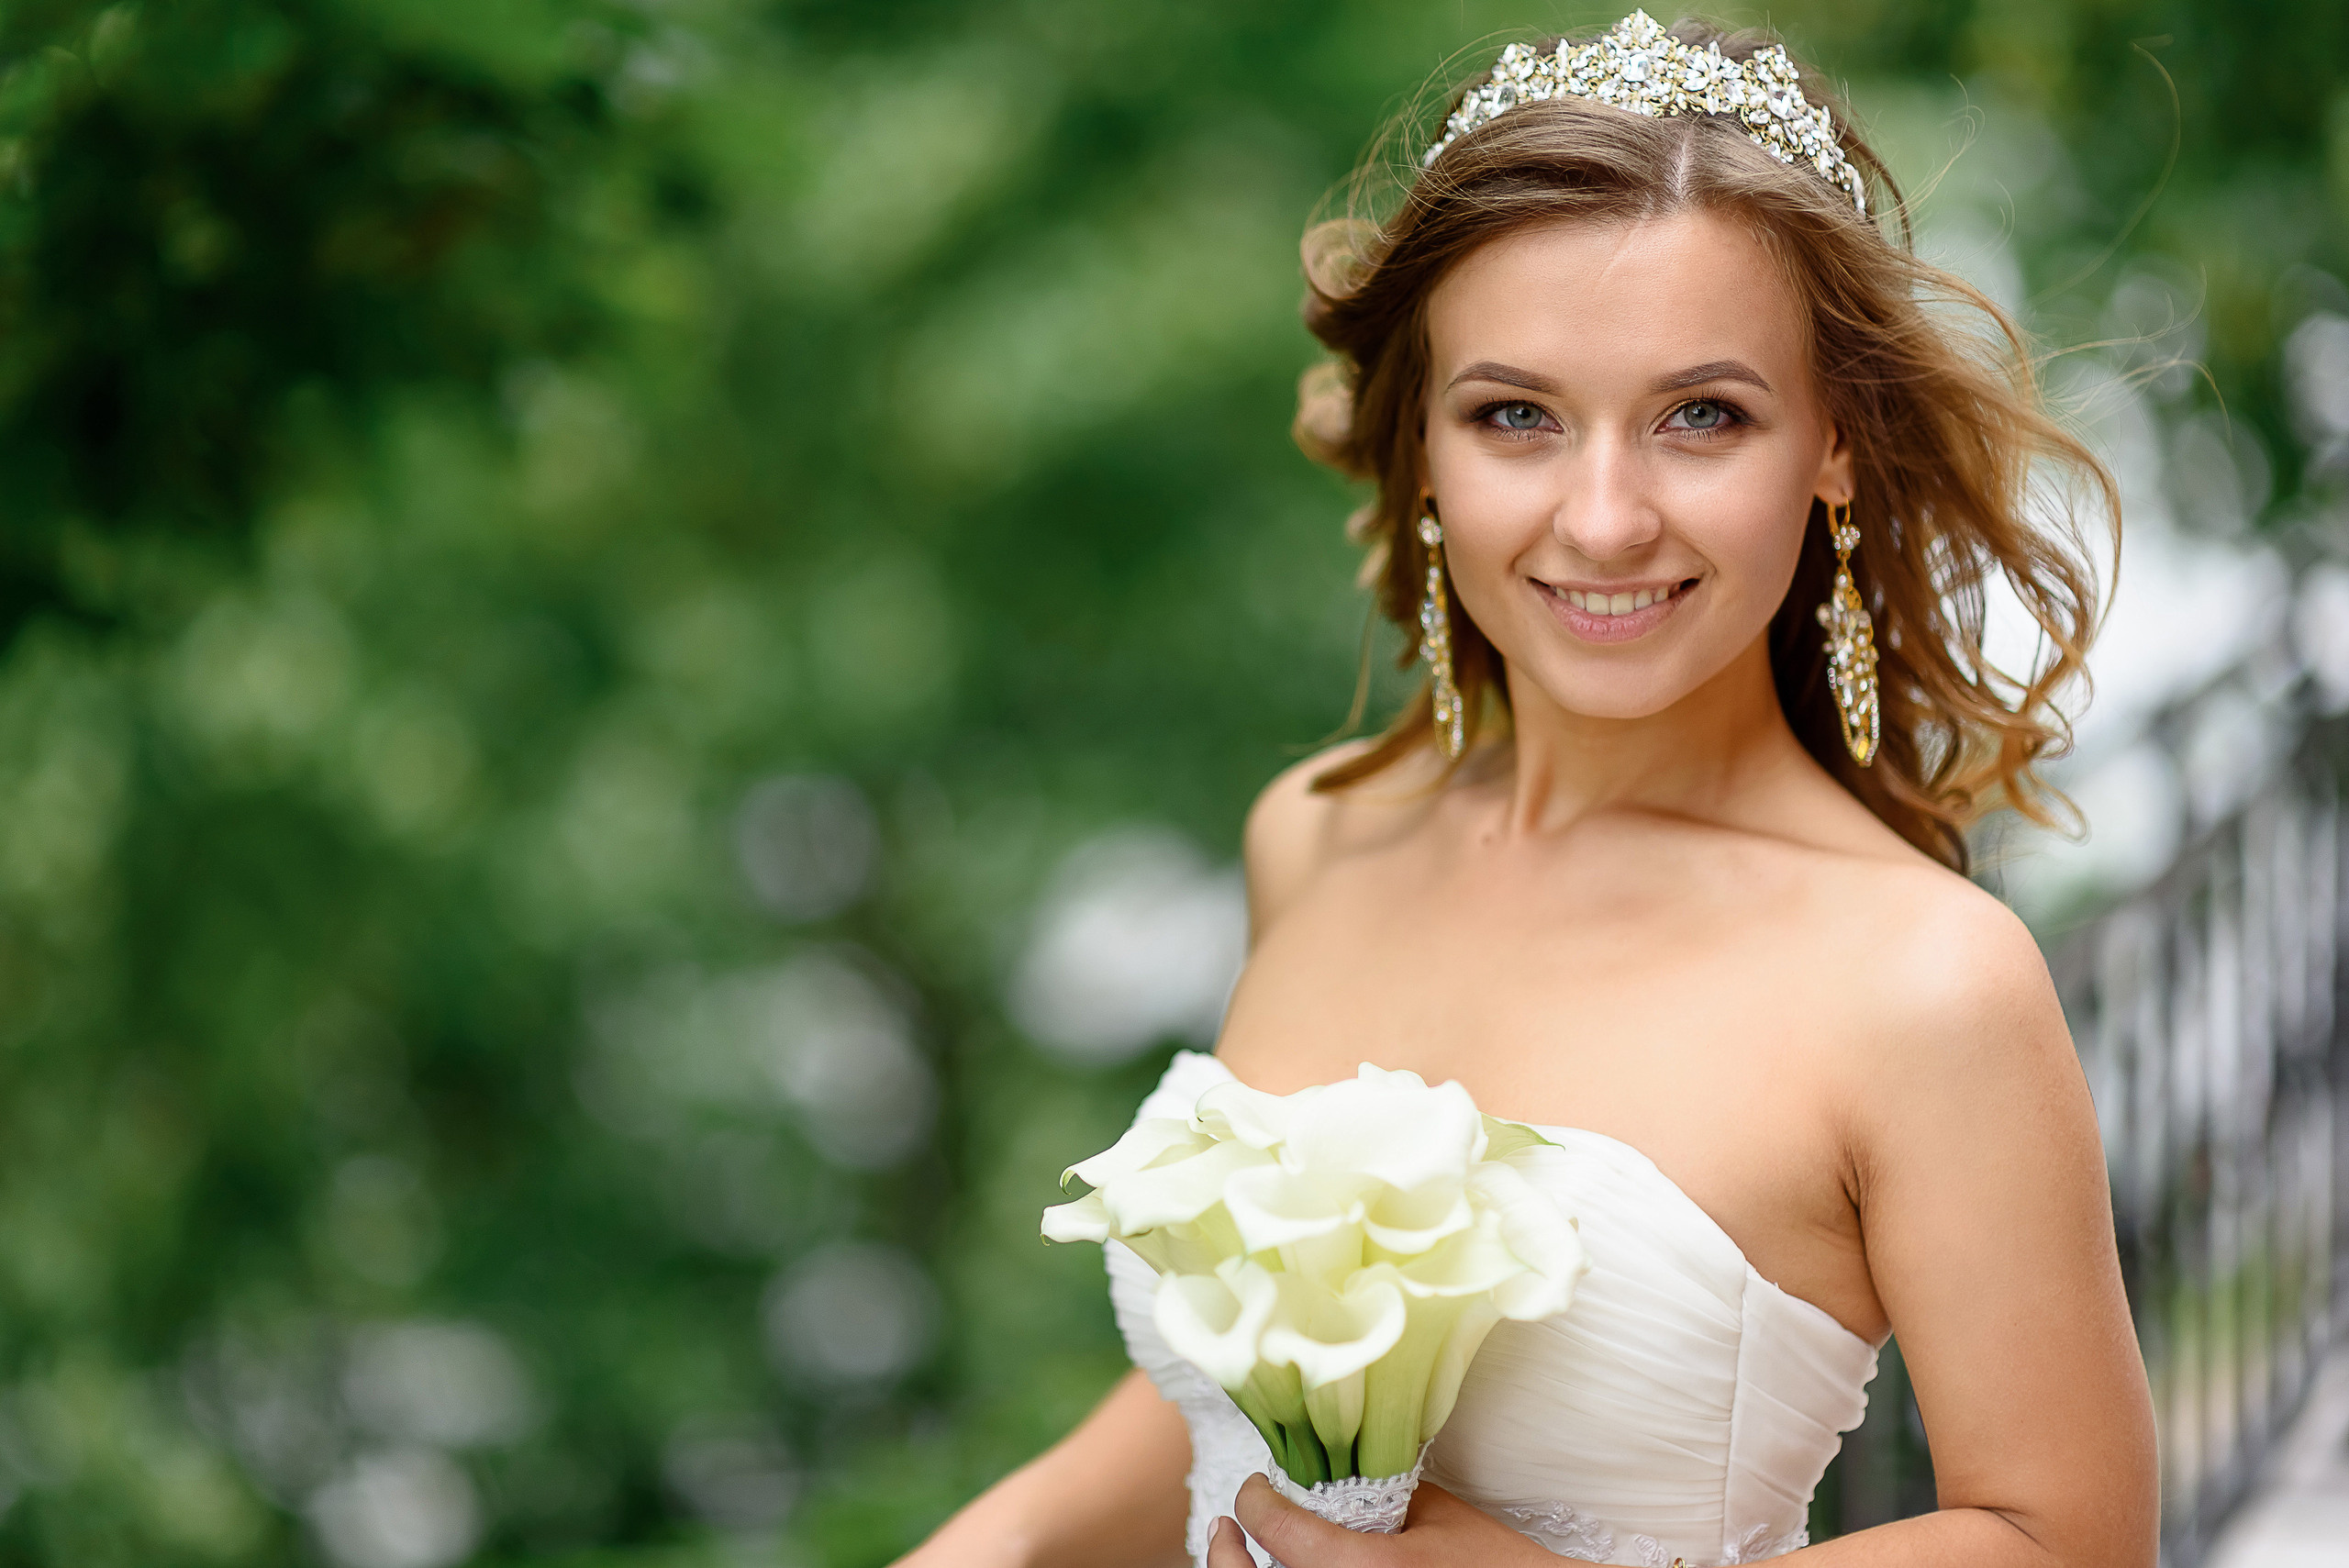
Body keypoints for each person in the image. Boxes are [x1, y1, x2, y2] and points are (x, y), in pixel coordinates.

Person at [898, 13, 2156, 1567]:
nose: (1607, 516)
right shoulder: (1320, 836)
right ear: (1422, 443)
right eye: (1517, 416)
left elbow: (2068, 1538)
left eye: (1703, 414)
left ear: (1836, 440)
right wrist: (996, 1542)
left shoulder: (1925, 983)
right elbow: (1239, 1399)